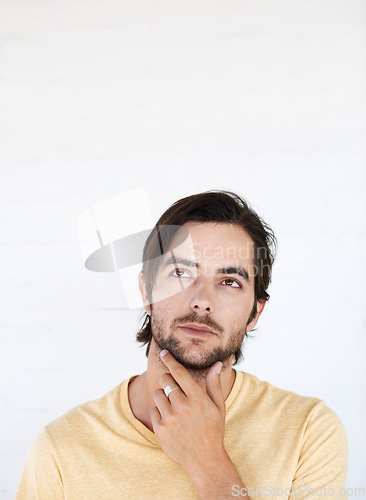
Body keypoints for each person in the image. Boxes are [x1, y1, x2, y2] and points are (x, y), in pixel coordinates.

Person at [16, 191, 348, 499]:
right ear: (146, 292)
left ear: (255, 312)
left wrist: (209, 464)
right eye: (180, 272)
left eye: (229, 281)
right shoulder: (61, 447)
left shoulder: (308, 430)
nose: (202, 301)